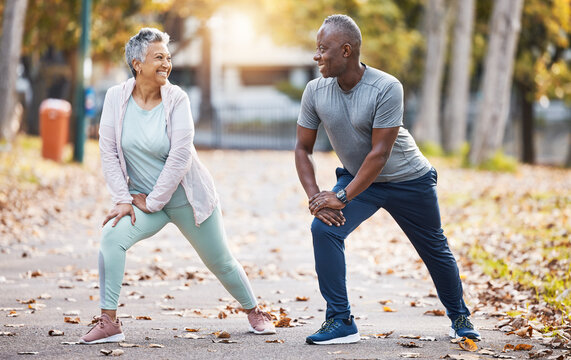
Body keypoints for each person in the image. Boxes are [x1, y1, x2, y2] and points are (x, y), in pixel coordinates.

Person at [79, 28, 275, 345]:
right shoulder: (116, 98)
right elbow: (108, 150)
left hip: (185, 198)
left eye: (168, 58)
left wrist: (154, 201)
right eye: (158, 57)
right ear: (136, 63)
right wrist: (123, 198)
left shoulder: (177, 98)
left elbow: (181, 155)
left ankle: (254, 311)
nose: (166, 64)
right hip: (142, 201)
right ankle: (109, 322)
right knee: (111, 237)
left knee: (220, 260)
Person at [295, 15, 481, 345]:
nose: (317, 56)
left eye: (323, 49)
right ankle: (340, 320)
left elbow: (379, 154)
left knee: (435, 249)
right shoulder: (315, 90)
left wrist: (341, 197)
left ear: (347, 50)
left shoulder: (386, 87)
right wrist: (316, 199)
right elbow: (303, 148)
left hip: (410, 180)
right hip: (358, 179)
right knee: (324, 229)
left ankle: (459, 316)